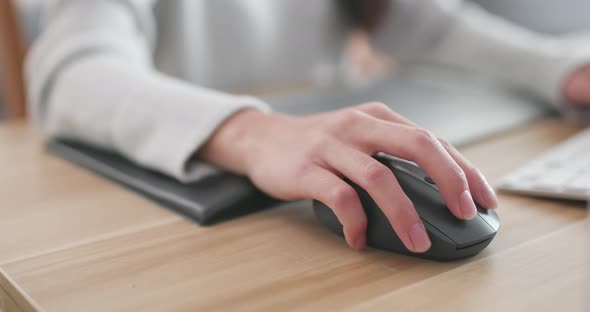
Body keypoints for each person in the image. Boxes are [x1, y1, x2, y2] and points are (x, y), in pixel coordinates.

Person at [27, 0, 590, 253]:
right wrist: (257, 132)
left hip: (335, 153)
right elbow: (72, 71)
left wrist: (561, 71)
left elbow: (416, 21)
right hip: (177, 201)